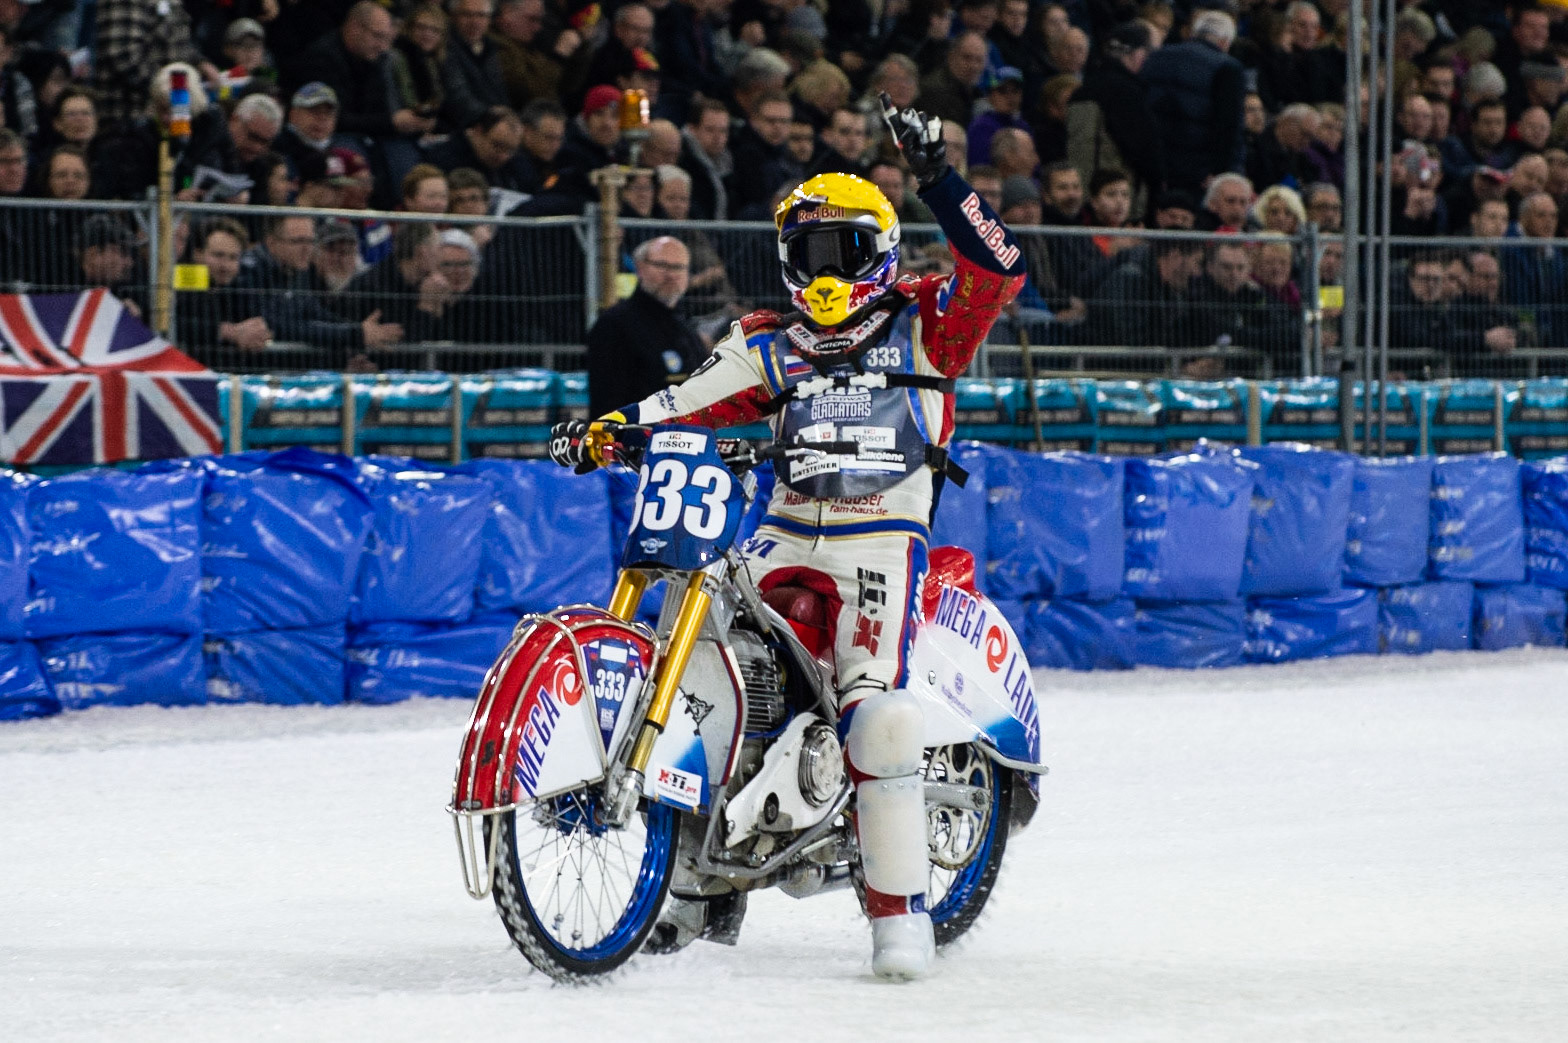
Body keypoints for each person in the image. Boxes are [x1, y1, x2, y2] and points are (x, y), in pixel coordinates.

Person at [549, 96, 1025, 980]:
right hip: (776, 530)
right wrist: (607, 428)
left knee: (877, 715)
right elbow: (680, 403)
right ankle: (696, 884)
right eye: (810, 253)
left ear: (880, 253)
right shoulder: (768, 341)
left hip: (880, 538)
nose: (828, 269)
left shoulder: (930, 321)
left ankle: (899, 910)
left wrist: (939, 179)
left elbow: (999, 267)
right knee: (701, 667)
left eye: (845, 250)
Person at [583, 235, 706, 418]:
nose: (671, 275)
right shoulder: (614, 325)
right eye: (662, 265)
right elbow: (608, 404)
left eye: (678, 267)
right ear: (640, 268)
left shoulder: (685, 329)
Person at [1141, 9, 1246, 195]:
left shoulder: (1157, 57)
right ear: (1225, 42)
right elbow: (1228, 126)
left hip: (1154, 162)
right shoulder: (1228, 68)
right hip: (1198, 171)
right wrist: (1221, 171)